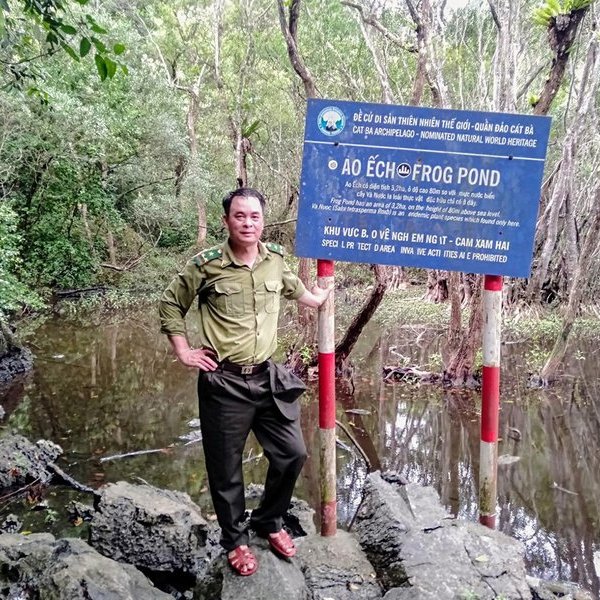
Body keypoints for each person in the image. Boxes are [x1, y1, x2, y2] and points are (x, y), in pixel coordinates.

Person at [158, 187, 331, 577]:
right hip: (223, 382)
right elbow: (171, 303)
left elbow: (296, 290)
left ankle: (269, 521)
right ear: (226, 221)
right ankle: (235, 540)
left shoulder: (274, 260)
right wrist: (183, 351)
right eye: (240, 216)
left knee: (293, 454)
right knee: (226, 468)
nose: (247, 223)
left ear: (263, 220)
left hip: (267, 377)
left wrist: (318, 298)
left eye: (254, 216)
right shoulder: (206, 266)